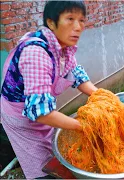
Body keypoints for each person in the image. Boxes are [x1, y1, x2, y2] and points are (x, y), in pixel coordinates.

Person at [0, 1, 98, 178]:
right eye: (70, 19)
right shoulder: (36, 53)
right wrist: (85, 126)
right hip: (20, 118)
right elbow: (41, 113)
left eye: (81, 20)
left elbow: (76, 73)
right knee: (41, 166)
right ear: (51, 22)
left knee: (50, 150)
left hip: (40, 112)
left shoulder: (62, 47)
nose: (78, 27)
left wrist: (102, 96)